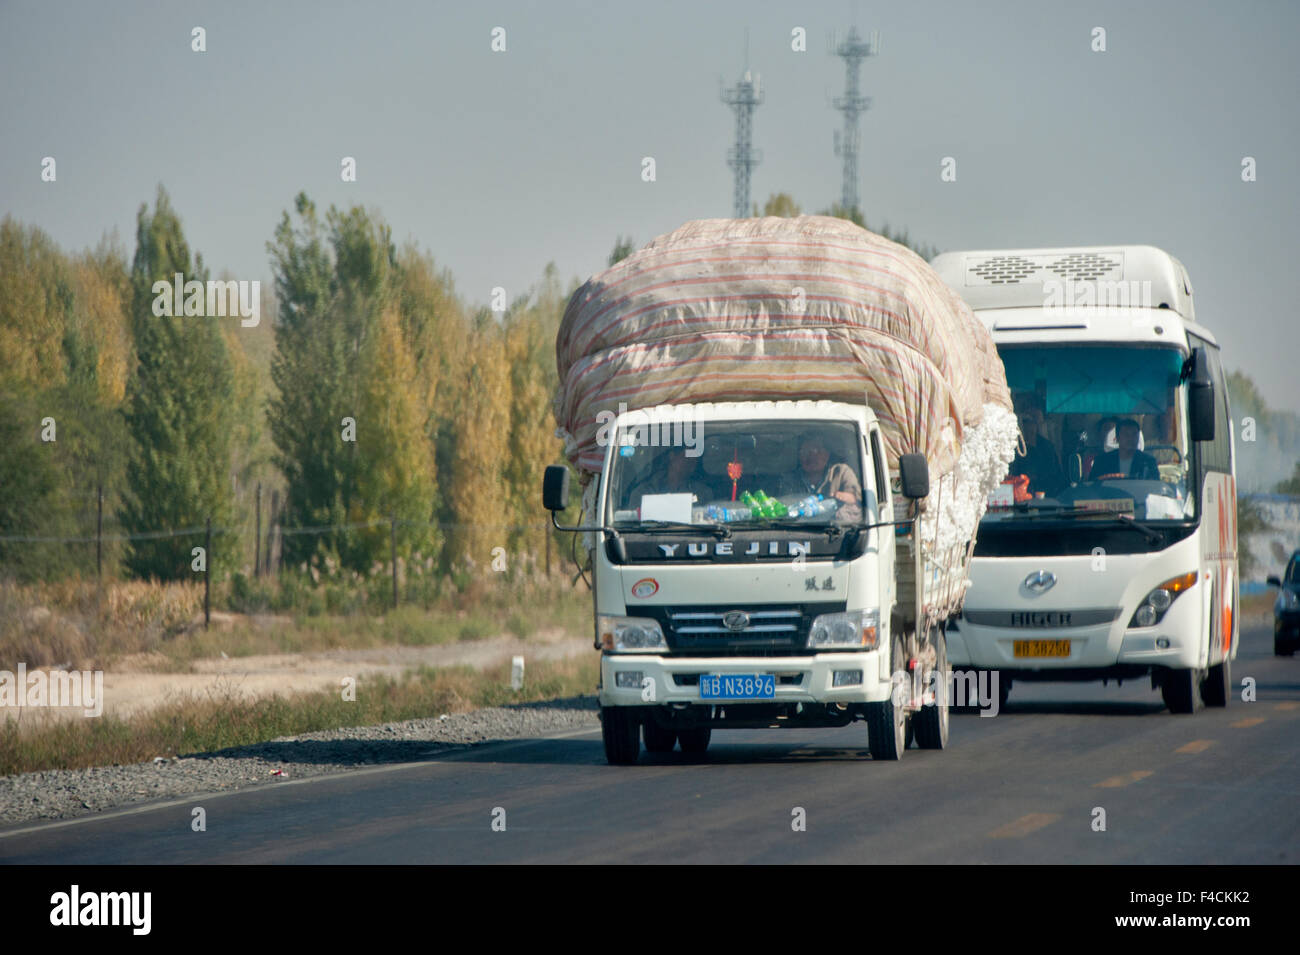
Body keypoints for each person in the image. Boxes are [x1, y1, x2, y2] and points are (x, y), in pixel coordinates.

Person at [779, 434, 863, 520]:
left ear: (827, 454)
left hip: (835, 529)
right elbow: (784, 509)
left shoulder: (841, 472)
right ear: (799, 457)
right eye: (804, 452)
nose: (810, 457)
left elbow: (857, 501)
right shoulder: (790, 479)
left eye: (816, 451)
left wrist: (840, 497)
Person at [625, 447, 714, 508]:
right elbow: (632, 522)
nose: (691, 462)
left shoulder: (703, 493)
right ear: (672, 456)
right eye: (687, 456)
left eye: (695, 459)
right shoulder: (643, 491)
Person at [1010, 404, 1066, 496]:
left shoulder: (1047, 447)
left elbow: (1055, 474)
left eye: (1033, 422)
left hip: (1048, 497)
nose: (1030, 426)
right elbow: (1014, 474)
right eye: (1026, 422)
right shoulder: (1017, 449)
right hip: (1022, 496)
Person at [1089, 418, 1161, 481]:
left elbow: (1154, 486)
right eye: (1126, 434)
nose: (1131, 439)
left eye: (1134, 434)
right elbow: (1093, 487)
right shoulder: (1102, 461)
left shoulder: (1148, 462)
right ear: (1117, 438)